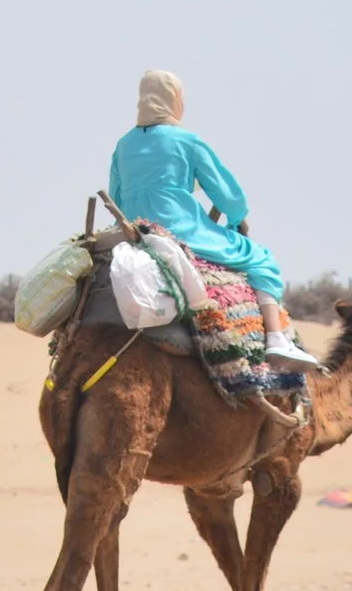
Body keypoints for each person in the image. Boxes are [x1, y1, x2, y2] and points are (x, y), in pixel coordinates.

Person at [109, 70, 322, 371]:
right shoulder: (188, 141)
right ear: (174, 99)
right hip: (181, 230)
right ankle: (276, 338)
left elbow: (116, 198)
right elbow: (228, 196)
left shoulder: (123, 146)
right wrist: (237, 219)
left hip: (136, 232)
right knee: (261, 260)